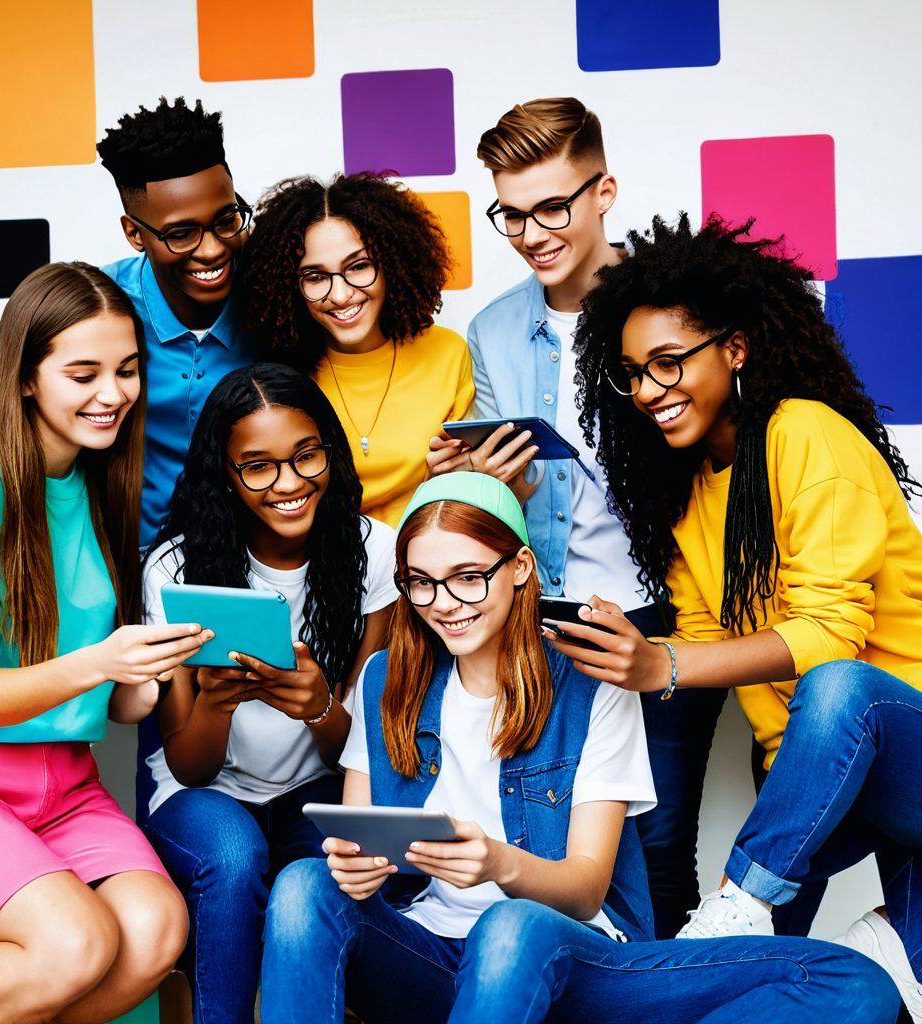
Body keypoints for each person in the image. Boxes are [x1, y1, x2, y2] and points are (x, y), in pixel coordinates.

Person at [258, 473, 897, 1024]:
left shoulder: (590, 684)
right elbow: (357, 839)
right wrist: (354, 867)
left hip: (573, 964)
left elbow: (586, 890)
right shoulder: (383, 678)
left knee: (853, 982)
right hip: (425, 958)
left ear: (519, 569)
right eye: (420, 583)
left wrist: (495, 865)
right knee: (304, 883)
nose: (443, 604)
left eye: (468, 578)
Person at [552, 212, 922, 1016]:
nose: (649, 390)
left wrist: (666, 665)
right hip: (811, 781)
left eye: (669, 362)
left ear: (736, 349)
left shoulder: (805, 436)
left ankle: (744, 900)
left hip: (899, 744)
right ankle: (844, 951)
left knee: (840, 690)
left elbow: (830, 636)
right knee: (752, 989)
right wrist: (617, 649)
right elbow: (702, 642)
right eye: (632, 373)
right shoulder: (687, 494)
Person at [428, 95, 726, 937]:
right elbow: (506, 510)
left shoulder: (672, 311)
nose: (533, 233)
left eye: (553, 206)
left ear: (605, 191)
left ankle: (664, 992)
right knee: (556, 839)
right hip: (543, 617)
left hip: (664, 612)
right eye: (511, 215)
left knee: (660, 839)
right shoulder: (492, 329)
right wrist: (479, 484)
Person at [0, 263, 213, 1024]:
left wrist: (147, 672)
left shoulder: (101, 484)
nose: (113, 393)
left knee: (154, 929)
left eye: (128, 369)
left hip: (63, 782)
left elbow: (111, 702)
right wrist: (100, 661)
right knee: (74, 945)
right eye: (84, 372)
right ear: (27, 378)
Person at [140, 364, 398, 1024]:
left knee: (312, 883)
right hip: (205, 791)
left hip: (318, 787)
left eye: (306, 456)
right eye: (257, 467)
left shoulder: (373, 552)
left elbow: (362, 755)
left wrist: (316, 705)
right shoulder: (176, 568)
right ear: (225, 474)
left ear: (330, 453)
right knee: (233, 856)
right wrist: (217, 702)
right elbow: (189, 765)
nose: (288, 484)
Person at [0, 96, 255, 547]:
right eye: (181, 233)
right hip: (104, 569)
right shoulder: (96, 309)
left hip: (237, 569)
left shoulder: (274, 306)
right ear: (134, 233)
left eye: (226, 220)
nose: (211, 249)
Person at [241, 173, 474, 527]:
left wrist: (466, 475)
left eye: (359, 267)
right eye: (316, 277)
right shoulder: (281, 377)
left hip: (429, 568)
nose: (340, 294)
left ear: (393, 265)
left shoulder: (447, 353)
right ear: (290, 286)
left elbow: (473, 485)